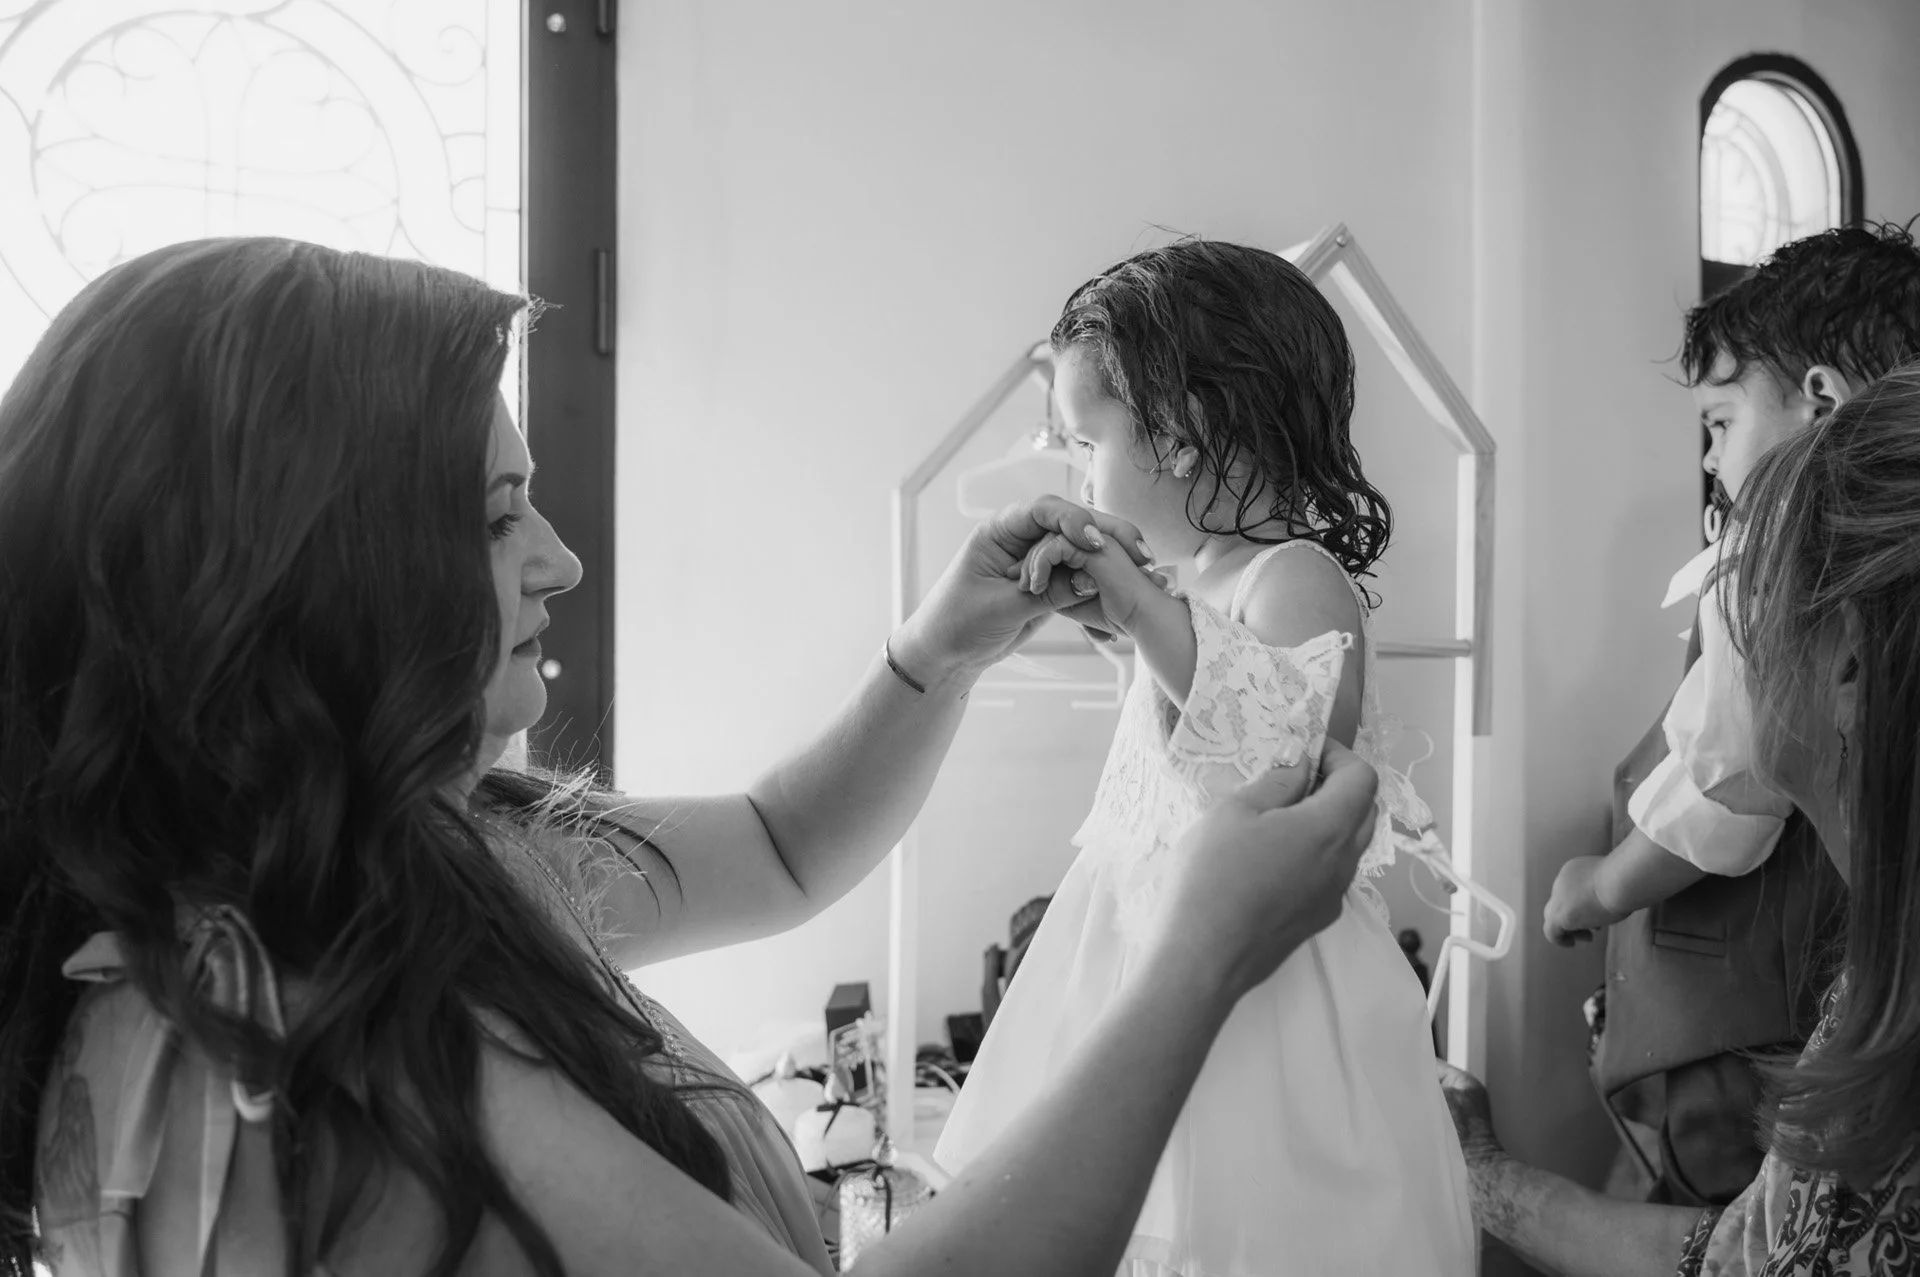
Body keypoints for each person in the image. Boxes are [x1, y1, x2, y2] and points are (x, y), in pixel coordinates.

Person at [0, 238, 1383, 1277]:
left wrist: (938, 649)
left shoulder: (430, 853)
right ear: (300, 580)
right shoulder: (303, 1047)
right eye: (497, 518)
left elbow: (779, 847)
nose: (563, 557)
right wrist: (1199, 955)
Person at [935, 241, 1474, 1276]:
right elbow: (1175, 743)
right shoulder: (1193, 580)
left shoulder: (1295, 575)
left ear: (1184, 433)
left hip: (1262, 980)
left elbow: (1284, 745)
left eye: (1087, 441)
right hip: (1141, 944)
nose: (1077, 472)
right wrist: (1120, 627)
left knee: (1254, 1224)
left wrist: (1143, 611)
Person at [1442, 363, 1920, 1275]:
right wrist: (1485, 1178)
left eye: (1751, 608)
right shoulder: (1878, 968)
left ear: (1848, 659)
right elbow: (1755, 1249)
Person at [1542, 222, 1920, 1204]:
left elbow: (1732, 789)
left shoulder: (1776, 571)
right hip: (1790, 988)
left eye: (1719, 422)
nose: (1710, 463)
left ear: (1823, 401)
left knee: (1725, 1193)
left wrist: (1599, 885)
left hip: (1742, 1000)